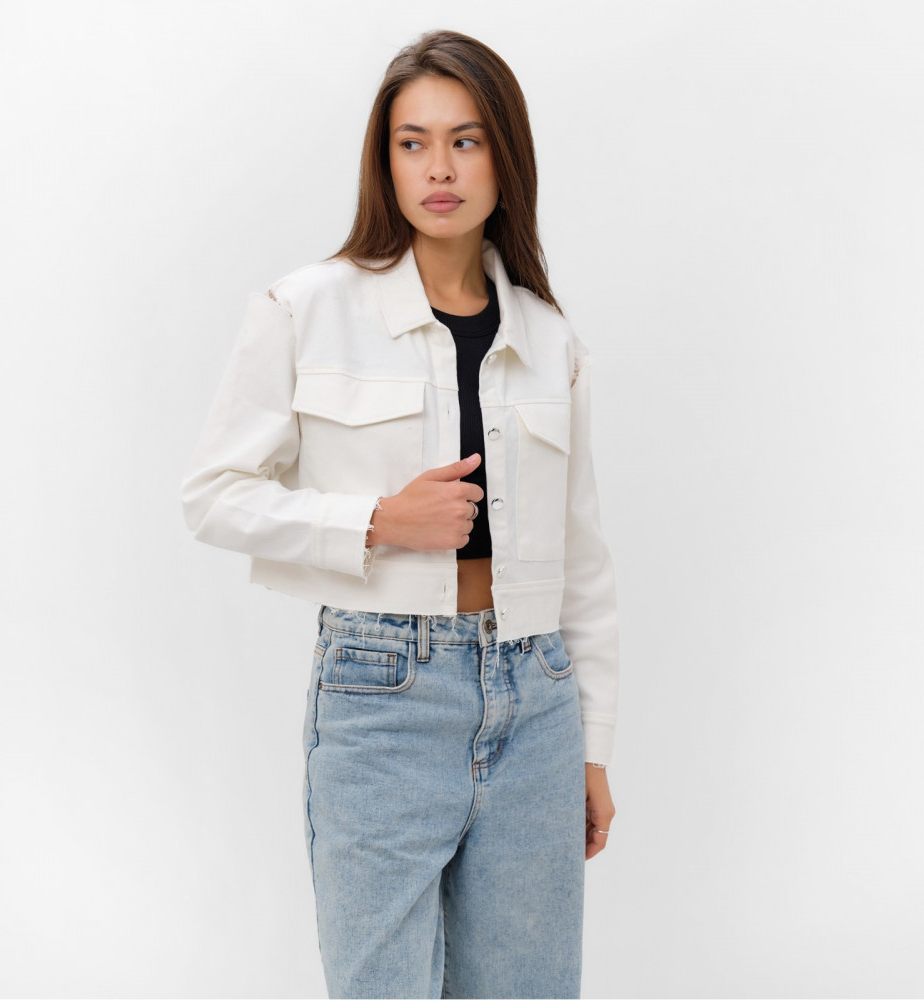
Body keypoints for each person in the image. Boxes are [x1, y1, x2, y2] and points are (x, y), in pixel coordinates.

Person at [181, 29, 619, 1000]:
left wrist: (593, 747)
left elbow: (584, 560)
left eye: (465, 141)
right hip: (382, 692)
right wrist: (377, 521)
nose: (439, 169)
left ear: (505, 154)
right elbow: (212, 496)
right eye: (412, 143)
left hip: (538, 698)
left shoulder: (550, 338)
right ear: (383, 162)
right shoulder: (305, 308)